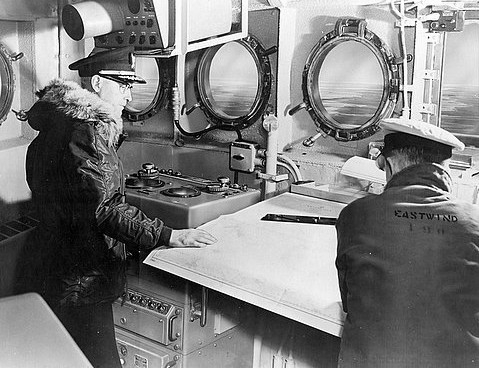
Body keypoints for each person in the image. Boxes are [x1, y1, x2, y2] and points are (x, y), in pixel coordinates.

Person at [23, 46, 217, 368]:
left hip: (53, 267)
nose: (128, 96)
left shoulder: (55, 121)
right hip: (84, 276)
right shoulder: (90, 129)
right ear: (97, 84)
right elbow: (107, 210)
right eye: (123, 85)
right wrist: (168, 235)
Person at [335, 118, 479, 367]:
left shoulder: (355, 214)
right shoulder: (474, 220)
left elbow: (348, 300)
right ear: (447, 171)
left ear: (389, 164)